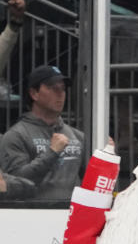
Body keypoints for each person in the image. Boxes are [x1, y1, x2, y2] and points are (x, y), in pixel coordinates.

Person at [0, 65, 84, 201]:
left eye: (63, 88)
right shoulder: (16, 135)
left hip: (73, 216)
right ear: (34, 94)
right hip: (35, 216)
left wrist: (107, 154)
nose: (60, 93)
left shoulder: (78, 136)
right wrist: (52, 152)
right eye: (53, 88)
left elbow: (93, 180)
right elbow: (15, 185)